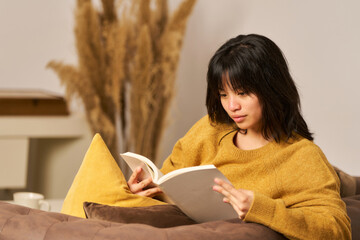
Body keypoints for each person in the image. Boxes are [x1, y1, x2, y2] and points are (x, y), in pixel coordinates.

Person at [127, 34, 351, 239]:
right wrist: (145, 193)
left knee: (344, 184)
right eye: (224, 95)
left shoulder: (302, 156)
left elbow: (338, 230)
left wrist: (261, 208)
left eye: (242, 93)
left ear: (272, 89)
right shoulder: (209, 129)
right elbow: (169, 185)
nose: (231, 106)